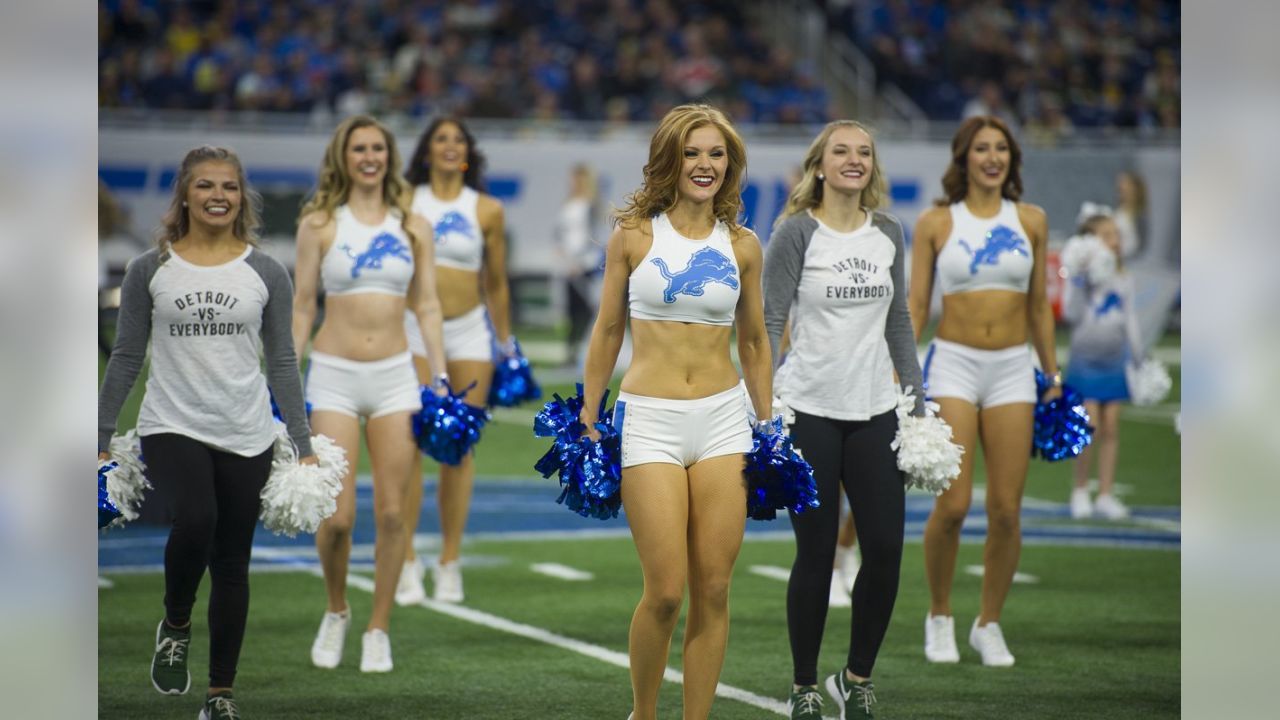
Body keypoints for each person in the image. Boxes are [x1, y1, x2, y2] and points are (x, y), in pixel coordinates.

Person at [98, 146, 316, 720]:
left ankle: (220, 694)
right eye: (205, 186)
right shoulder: (151, 268)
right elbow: (125, 357)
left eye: (229, 186)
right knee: (196, 518)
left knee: (232, 562)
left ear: (242, 197)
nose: (218, 195)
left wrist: (304, 440)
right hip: (172, 422)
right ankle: (175, 620)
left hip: (247, 429)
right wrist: (100, 431)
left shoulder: (266, 271)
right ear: (185, 196)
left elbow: (283, 361)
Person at [580, 104, 772, 720]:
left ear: (730, 165)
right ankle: (644, 711)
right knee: (665, 592)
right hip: (650, 419)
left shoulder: (743, 245)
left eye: (716, 154)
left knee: (713, 588)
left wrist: (766, 426)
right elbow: (608, 330)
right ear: (670, 159)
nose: (705, 165)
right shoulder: (635, 235)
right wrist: (589, 414)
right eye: (693, 153)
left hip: (723, 418)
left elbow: (754, 342)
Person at [764, 120, 925, 718]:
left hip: (875, 410)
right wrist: (764, 408)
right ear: (820, 165)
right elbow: (769, 324)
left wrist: (918, 403)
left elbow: (900, 321)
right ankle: (804, 686)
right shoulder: (795, 232)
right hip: (809, 409)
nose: (853, 161)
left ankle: (854, 679)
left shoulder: (889, 232)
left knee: (884, 549)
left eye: (864, 152)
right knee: (816, 551)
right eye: (841, 151)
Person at [292, 115, 448, 673]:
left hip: (395, 377)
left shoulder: (414, 224)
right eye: (358, 148)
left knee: (389, 513)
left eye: (377, 148)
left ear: (390, 156)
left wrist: (442, 374)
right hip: (332, 372)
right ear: (343, 155)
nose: (369, 157)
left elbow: (427, 304)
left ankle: (378, 626)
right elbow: (303, 305)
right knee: (335, 518)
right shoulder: (318, 224)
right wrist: (288, 373)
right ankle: (337, 609)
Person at [909, 116, 1060, 668]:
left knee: (1006, 510)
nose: (992, 158)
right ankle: (940, 614)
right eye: (981, 149)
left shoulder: (1032, 220)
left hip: (1013, 369)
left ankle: (988, 623)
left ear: (1011, 159)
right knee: (953, 505)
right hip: (954, 364)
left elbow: (1040, 305)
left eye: (1001, 149)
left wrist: (1052, 375)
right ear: (963, 158)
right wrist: (901, 370)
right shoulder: (936, 222)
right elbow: (917, 306)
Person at [395, 116, 513, 605]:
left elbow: (498, 281)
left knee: (458, 449)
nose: (449, 146)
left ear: (468, 152)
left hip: (468, 333)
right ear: (426, 151)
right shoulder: (403, 200)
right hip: (413, 331)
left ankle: (449, 560)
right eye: (440, 139)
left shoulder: (485, 208)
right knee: (409, 449)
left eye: (458, 140)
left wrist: (505, 343)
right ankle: (404, 560)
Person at [1064, 212, 1143, 520]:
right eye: (1107, 235)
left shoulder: (1124, 277)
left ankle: (1106, 495)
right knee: (1090, 426)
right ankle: (1080, 490)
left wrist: (1138, 357)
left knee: (1111, 428)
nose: (1115, 241)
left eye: (1116, 235)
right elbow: (1072, 314)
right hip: (1085, 360)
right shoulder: (1079, 278)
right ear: (1089, 242)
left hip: (1114, 360)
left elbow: (1130, 318)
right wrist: (1081, 279)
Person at [555, 162, 605, 368]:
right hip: (569, 265)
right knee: (571, 311)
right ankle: (570, 352)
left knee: (585, 311)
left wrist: (579, 260)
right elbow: (561, 232)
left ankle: (584, 351)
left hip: (585, 265)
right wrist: (561, 251)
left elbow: (591, 236)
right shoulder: (568, 203)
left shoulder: (590, 204)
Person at [1113, 170, 1147, 259]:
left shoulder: (1140, 216)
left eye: (1126, 185)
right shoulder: (1117, 211)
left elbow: (1141, 246)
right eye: (1120, 188)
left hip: (1132, 261)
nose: (1122, 188)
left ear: (1135, 189)